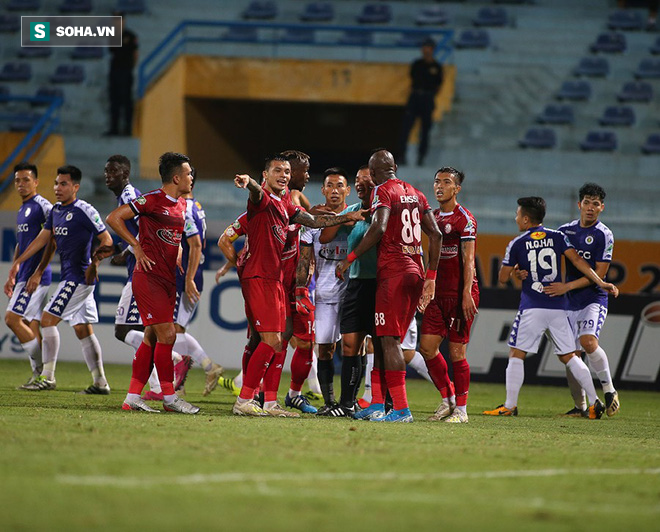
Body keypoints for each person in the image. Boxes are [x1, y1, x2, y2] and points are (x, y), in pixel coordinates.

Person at [232, 155, 366, 417]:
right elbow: (257, 192)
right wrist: (249, 182)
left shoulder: (285, 205)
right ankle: (245, 399)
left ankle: (270, 402)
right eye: (277, 171)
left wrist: (349, 215)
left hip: (276, 279)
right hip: (260, 276)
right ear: (265, 174)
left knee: (279, 342)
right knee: (269, 340)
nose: (283, 175)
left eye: (286, 171)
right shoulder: (263, 200)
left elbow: (315, 221)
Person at [483, 197, 619, 419]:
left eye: (518, 215)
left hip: (532, 307)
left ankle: (509, 405)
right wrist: (601, 281)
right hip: (558, 307)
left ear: (526, 219)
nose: (515, 218)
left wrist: (517, 270)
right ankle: (595, 401)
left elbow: (502, 278)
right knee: (571, 357)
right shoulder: (558, 237)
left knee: (516, 354)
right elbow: (578, 262)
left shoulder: (516, 243)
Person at [337, 149, 442, 423]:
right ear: (395, 166)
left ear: (372, 174)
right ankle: (376, 404)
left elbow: (379, 227)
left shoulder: (382, 191)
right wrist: (431, 276)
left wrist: (349, 258)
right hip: (415, 272)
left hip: (393, 274)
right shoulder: (416, 193)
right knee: (385, 340)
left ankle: (401, 409)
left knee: (389, 341)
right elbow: (436, 233)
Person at [105, 152, 199, 414]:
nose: (192, 177)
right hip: (149, 278)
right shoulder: (151, 200)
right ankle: (169, 397)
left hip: (169, 279)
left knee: (151, 337)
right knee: (168, 335)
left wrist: (178, 251)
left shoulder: (181, 205)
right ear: (176, 177)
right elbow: (113, 218)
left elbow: (174, 235)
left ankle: (132, 397)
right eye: (189, 173)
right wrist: (135, 246)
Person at [7, 165, 113, 394]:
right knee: (82, 329)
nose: (57, 188)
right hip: (70, 277)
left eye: (63, 184)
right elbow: (42, 239)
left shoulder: (85, 209)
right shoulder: (55, 211)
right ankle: (100, 382)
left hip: (78, 279)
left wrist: (95, 264)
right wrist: (18, 262)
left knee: (46, 320)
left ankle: (47, 376)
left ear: (76, 187)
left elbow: (107, 241)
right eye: (56, 183)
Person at [550, 183, 619, 417]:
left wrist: (566, 286)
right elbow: (550, 260)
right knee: (571, 356)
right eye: (587, 203)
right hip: (568, 302)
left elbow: (598, 275)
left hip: (593, 299)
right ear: (579, 205)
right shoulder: (564, 231)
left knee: (588, 342)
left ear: (602, 208)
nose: (590, 208)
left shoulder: (604, 234)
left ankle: (609, 391)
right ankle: (581, 408)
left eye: (596, 204)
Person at [418, 167, 479, 424]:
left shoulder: (464, 219)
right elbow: (428, 256)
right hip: (436, 293)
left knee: (457, 353)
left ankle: (462, 411)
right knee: (427, 348)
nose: (439, 186)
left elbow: (469, 260)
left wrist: (466, 294)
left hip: (458, 294)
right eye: (436, 182)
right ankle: (448, 399)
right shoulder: (430, 217)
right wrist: (425, 286)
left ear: (457, 189)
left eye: (446, 182)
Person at [296, 167, 352, 415]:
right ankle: (330, 403)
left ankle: (349, 402)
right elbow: (304, 258)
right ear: (322, 190)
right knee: (325, 348)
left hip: (353, 294)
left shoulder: (357, 218)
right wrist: (300, 289)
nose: (335, 191)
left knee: (355, 347)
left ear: (347, 190)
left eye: (340, 185)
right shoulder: (312, 223)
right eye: (330, 185)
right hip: (326, 296)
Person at [172, 168, 224, 396]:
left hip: (186, 275)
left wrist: (188, 278)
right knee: (177, 329)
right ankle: (180, 385)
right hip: (192, 274)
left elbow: (195, 245)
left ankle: (208, 366)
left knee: (172, 330)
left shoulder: (184, 208)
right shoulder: (197, 207)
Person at [4, 162, 53, 389]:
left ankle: (43, 374)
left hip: (35, 277)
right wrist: (12, 271)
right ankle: (41, 377)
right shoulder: (23, 209)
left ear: (36, 182)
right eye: (17, 180)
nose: (21, 184)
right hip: (23, 274)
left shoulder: (43, 206)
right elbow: (21, 244)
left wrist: (38, 272)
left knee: (12, 319)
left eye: (25, 180)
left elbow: (51, 240)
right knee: (30, 324)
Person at [398, 38, 443, 167]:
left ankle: (421, 157)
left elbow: (438, 85)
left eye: (428, 47)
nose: (426, 50)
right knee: (406, 128)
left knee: (425, 130)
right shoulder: (417, 64)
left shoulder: (437, 67)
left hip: (427, 99)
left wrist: (429, 95)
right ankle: (402, 155)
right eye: (424, 47)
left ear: (433, 49)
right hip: (415, 97)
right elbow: (413, 79)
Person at [106, 11, 138, 136]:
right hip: (114, 72)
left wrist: (130, 68)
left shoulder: (130, 36)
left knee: (126, 101)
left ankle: (127, 129)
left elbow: (135, 54)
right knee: (114, 101)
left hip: (125, 72)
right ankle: (114, 129)